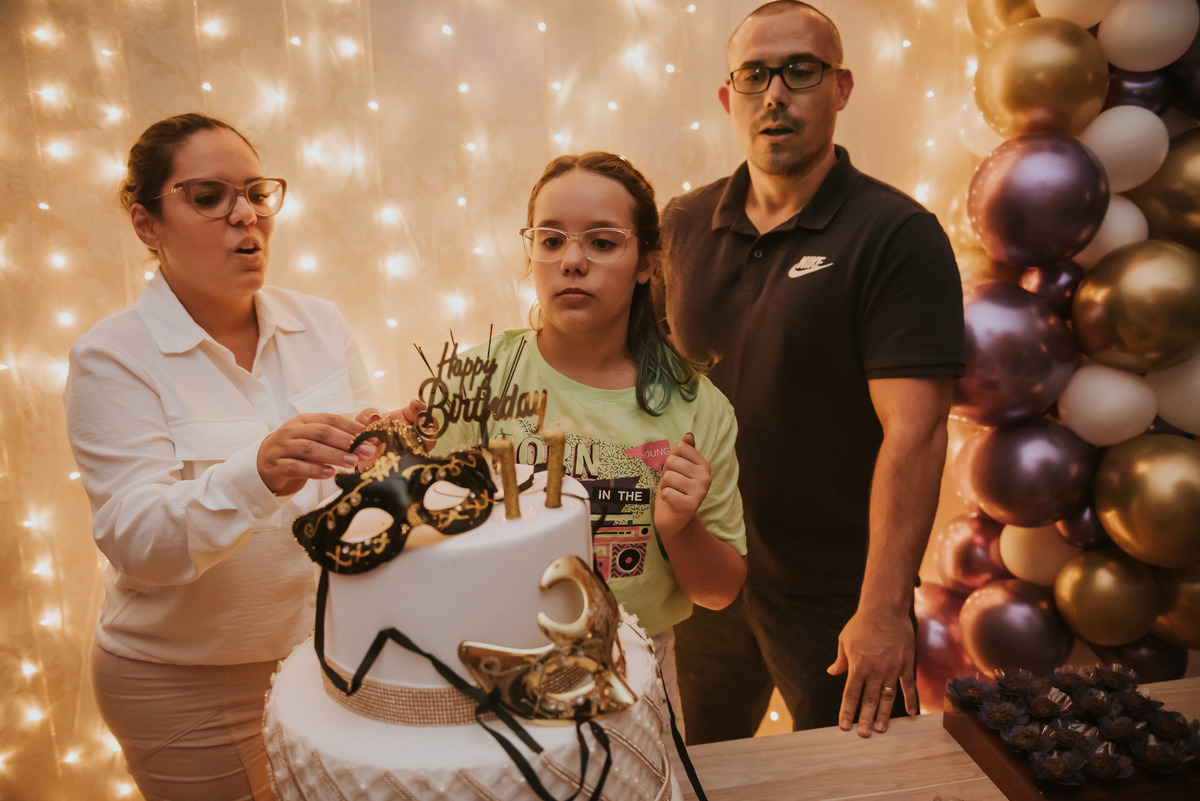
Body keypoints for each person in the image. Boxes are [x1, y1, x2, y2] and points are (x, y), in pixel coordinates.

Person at [658, 1, 965, 742]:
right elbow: (644, 386)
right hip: (706, 571)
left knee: (861, 780)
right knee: (697, 771)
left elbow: (916, 433)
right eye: (755, 74)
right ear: (728, 97)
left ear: (840, 87)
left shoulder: (897, 235)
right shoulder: (681, 225)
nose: (775, 94)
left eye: (800, 70)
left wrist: (884, 607)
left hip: (839, 594)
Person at [63, 113, 384, 800]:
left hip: (327, 657)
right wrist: (257, 472)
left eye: (257, 193)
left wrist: (387, 448)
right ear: (146, 224)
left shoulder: (320, 323)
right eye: (209, 197)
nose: (246, 215)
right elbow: (136, 541)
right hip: (187, 685)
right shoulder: (112, 357)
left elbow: (362, 488)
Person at [420, 151, 747, 711]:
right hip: (492, 659)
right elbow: (419, 542)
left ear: (646, 263)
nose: (572, 261)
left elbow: (718, 592)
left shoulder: (698, 409)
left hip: (637, 670)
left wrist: (680, 527)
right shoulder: (473, 382)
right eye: (551, 240)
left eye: (602, 241)